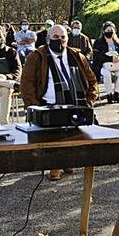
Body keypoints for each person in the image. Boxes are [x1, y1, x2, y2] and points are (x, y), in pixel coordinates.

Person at [20, 25, 98, 180]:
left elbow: (92, 80)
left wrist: (90, 100)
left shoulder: (77, 55)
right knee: (52, 134)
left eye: (63, 37)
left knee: (77, 133)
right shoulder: (36, 57)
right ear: (48, 39)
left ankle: (68, 161)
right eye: (55, 37)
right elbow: (26, 84)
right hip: (47, 104)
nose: (60, 40)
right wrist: (34, 107)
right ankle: (55, 165)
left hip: (76, 103)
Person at [91, 21, 119, 104]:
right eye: (107, 30)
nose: (109, 32)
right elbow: (97, 56)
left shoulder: (118, 42)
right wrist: (110, 58)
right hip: (103, 65)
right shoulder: (98, 42)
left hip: (117, 65)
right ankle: (109, 95)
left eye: (111, 30)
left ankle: (116, 94)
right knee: (106, 74)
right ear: (103, 31)